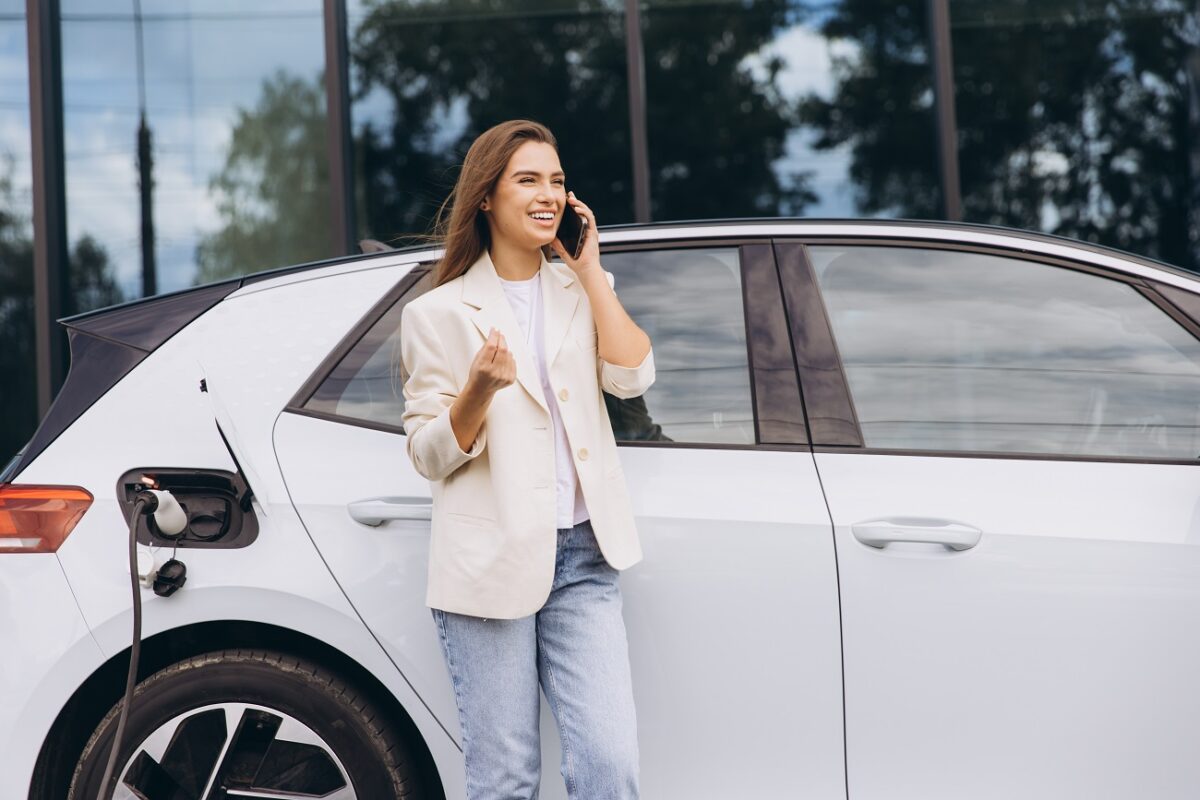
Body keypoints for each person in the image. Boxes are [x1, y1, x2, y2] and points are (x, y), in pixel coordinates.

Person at [397, 119, 656, 799]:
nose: (548, 195)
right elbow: (428, 453)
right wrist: (478, 390)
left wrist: (592, 271)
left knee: (610, 764)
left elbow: (632, 376)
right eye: (529, 180)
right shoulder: (438, 314)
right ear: (486, 196)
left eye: (558, 181)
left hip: (584, 559)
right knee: (506, 779)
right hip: (489, 566)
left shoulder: (579, 290)